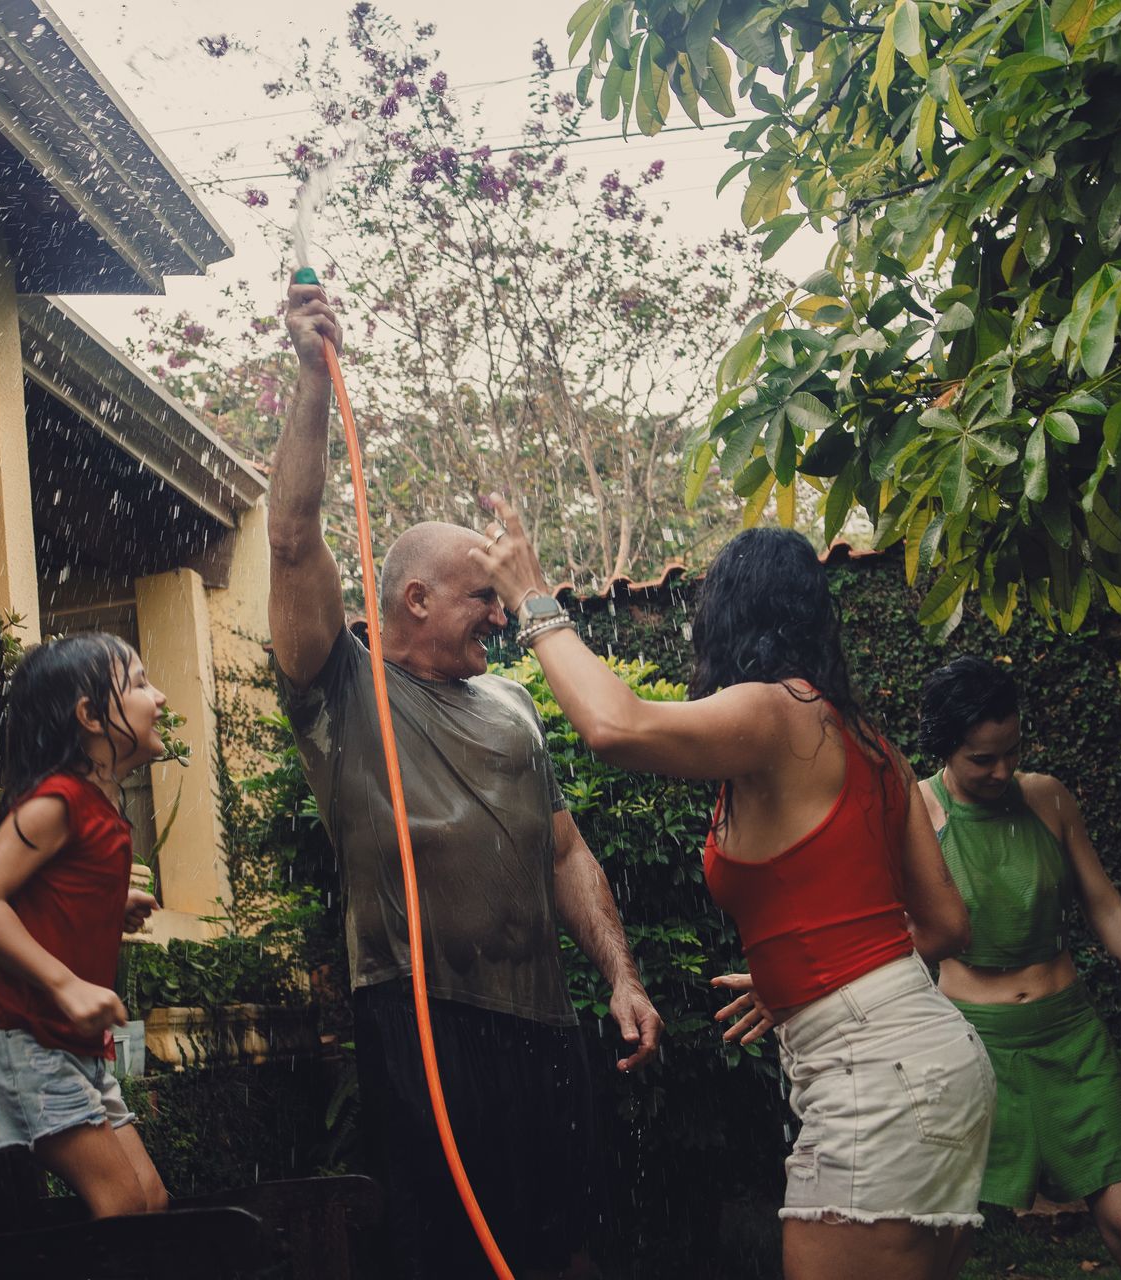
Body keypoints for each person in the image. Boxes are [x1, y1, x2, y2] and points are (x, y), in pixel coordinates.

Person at [474, 509, 992, 1280]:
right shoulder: (867, 740)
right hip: (933, 1056)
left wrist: (534, 599)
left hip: (874, 1073)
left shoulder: (775, 709)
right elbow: (947, 924)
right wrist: (807, 972)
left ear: (727, 616)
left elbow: (616, 727)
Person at [271, 281, 662, 1279]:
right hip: (422, 1023)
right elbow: (293, 536)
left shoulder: (516, 706)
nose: (503, 613)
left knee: (569, 1246)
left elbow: (564, 849)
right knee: (453, 1256)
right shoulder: (340, 692)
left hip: (543, 1024)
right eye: (486, 595)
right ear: (416, 597)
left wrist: (618, 974)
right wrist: (314, 380)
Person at [917, 656, 1121, 1280]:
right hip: (973, 1051)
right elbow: (887, 934)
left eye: (1011, 752)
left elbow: (1106, 907)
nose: (1001, 771)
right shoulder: (915, 814)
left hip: (1072, 1042)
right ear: (946, 747)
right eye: (981, 759)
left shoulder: (1048, 799)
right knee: (940, 1250)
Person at [0, 632, 168, 1218]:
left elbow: (40, 897)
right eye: (141, 683)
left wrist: (108, 907)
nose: (161, 697)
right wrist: (66, 985)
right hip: (18, 1036)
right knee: (120, 1205)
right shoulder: (57, 801)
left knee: (149, 1201)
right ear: (91, 716)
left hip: (69, 1047)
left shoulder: (100, 809)